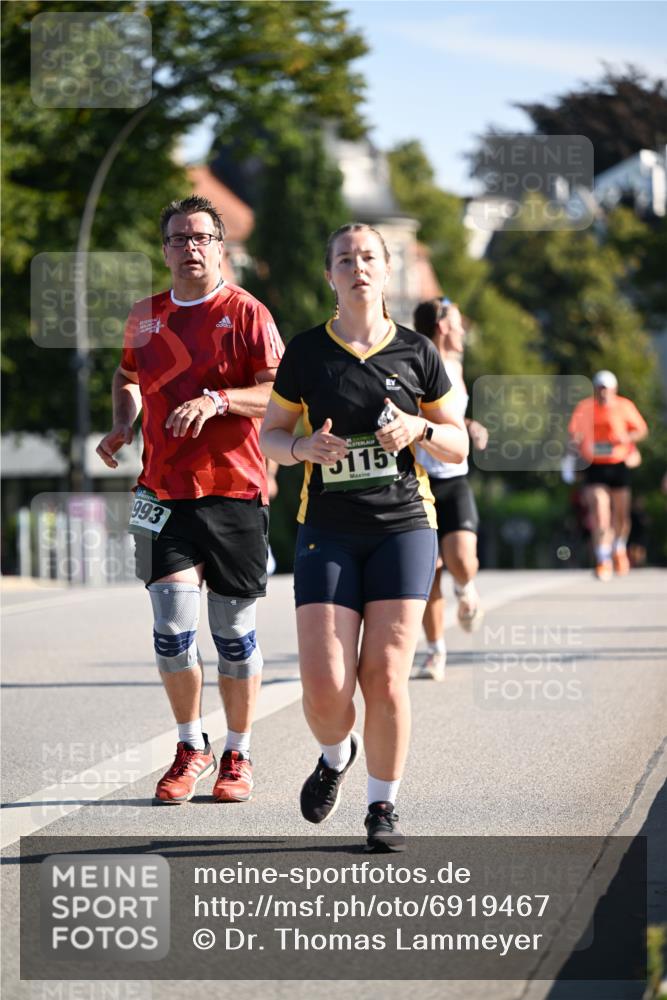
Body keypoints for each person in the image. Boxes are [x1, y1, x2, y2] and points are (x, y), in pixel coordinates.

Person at [259, 223, 468, 851]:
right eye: (345, 259)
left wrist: (418, 430)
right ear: (330, 274)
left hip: (404, 525)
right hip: (328, 529)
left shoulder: (417, 353)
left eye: (369, 257)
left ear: (385, 268)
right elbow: (269, 433)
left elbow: (457, 440)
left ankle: (383, 807)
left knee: (383, 674)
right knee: (325, 686)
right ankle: (335, 752)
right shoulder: (305, 353)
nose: (358, 268)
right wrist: (301, 447)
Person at [96, 195, 284, 803]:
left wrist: (218, 400)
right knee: (172, 630)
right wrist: (125, 424)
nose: (190, 247)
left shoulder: (247, 313)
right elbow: (126, 377)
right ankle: (190, 745)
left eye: (201, 237)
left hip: (232, 490)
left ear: (220, 246)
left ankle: (239, 752)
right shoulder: (144, 317)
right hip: (161, 491)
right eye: (179, 238)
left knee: (232, 633)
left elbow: (280, 397)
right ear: (166, 248)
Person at [412, 298, 487, 681]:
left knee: (462, 559)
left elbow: (448, 414)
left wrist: (470, 425)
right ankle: (435, 651)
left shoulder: (456, 367)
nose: (463, 332)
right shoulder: (416, 363)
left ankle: (467, 586)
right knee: (430, 572)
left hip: (454, 477)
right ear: (442, 327)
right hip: (419, 480)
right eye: (458, 325)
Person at [568, 370, 647, 581]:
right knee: (600, 511)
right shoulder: (585, 408)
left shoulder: (624, 406)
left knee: (621, 515)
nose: (603, 392)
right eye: (599, 388)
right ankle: (603, 559)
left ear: (614, 389)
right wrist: (574, 450)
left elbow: (641, 430)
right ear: (595, 389)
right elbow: (574, 434)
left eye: (606, 388)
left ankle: (619, 547)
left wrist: (626, 437)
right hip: (595, 466)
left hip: (618, 464)